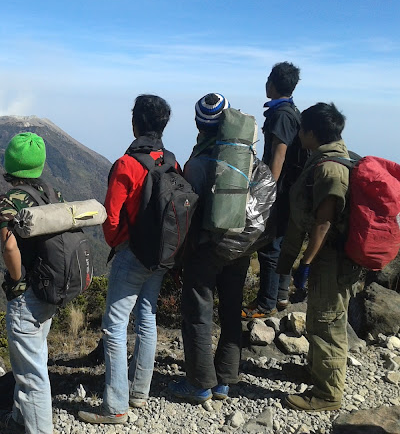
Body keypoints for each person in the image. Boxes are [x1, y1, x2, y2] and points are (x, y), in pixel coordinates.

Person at [78, 94, 174, 424]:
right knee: (147, 317)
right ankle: (139, 393)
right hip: (161, 255)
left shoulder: (126, 165)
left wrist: (120, 246)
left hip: (132, 255)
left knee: (115, 326)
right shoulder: (170, 161)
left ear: (135, 123)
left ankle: (116, 405)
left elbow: (112, 219)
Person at [168, 93, 252, 403]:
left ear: (197, 124)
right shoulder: (245, 156)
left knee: (198, 313)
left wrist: (179, 258)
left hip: (206, 248)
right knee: (231, 311)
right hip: (240, 245)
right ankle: (225, 382)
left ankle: (199, 385)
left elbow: (189, 210)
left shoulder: (199, 162)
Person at [276, 102, 358, 411]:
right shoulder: (327, 158)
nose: (298, 134)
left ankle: (327, 394)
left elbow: (324, 221)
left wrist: (306, 263)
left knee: (328, 322)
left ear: (311, 132)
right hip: (329, 257)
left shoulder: (329, 169)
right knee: (318, 316)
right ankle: (315, 369)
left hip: (330, 259)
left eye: (301, 129)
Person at [0, 132, 60, 433]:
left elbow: (9, 247)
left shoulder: (9, 200)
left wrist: (16, 282)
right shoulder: (51, 192)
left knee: (32, 375)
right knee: (33, 360)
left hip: (28, 294)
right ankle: (20, 420)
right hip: (51, 287)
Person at [243, 61, 304, 318]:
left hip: (279, 190)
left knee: (269, 246)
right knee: (279, 241)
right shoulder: (292, 111)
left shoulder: (281, 116)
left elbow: (278, 156)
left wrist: (265, 192)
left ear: (273, 83)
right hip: (290, 189)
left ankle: (266, 303)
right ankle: (279, 296)